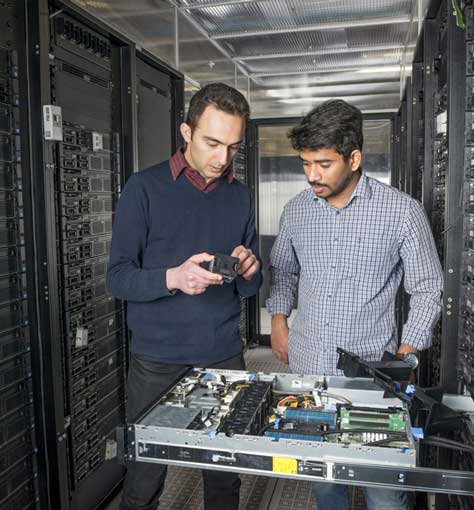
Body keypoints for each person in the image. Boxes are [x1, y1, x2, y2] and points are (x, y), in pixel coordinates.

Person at [266, 99, 443, 510]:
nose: (312, 175)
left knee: (383, 491)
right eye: (306, 163)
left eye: (323, 164)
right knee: (325, 480)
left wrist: (407, 352)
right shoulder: (296, 211)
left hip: (372, 376)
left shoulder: (402, 212)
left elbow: (429, 287)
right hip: (309, 367)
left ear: (354, 157)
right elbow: (285, 272)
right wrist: (278, 321)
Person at [107, 82, 262, 510]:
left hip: (223, 355)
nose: (222, 158)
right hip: (156, 361)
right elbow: (117, 278)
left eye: (233, 146)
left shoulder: (240, 196)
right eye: (213, 142)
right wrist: (173, 277)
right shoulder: (143, 188)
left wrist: (251, 268)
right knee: (143, 478)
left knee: (224, 475)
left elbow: (249, 288)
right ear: (186, 132)